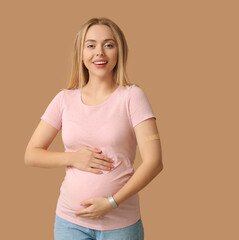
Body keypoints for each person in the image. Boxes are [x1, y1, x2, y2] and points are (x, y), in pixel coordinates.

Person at [24, 17, 163, 240]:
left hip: (121, 224)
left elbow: (154, 163)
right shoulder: (64, 99)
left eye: (109, 45)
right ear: (80, 53)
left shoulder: (132, 97)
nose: (99, 52)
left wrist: (111, 203)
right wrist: (73, 158)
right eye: (91, 45)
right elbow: (31, 154)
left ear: (119, 52)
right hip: (70, 223)